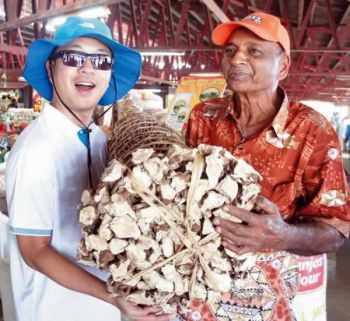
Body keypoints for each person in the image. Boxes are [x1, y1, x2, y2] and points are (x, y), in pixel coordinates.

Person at [6, 16, 173, 321]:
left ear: (110, 74)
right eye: (73, 57)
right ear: (50, 67)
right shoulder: (36, 151)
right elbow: (34, 251)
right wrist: (113, 295)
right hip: (52, 312)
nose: (87, 69)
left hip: (100, 311)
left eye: (101, 61)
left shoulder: (97, 137)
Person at [185, 11, 349, 321]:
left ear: (283, 65)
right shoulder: (202, 117)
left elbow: (336, 230)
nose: (237, 59)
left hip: (265, 296)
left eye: (254, 51)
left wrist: (282, 235)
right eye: (230, 50)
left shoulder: (312, 130)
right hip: (197, 285)